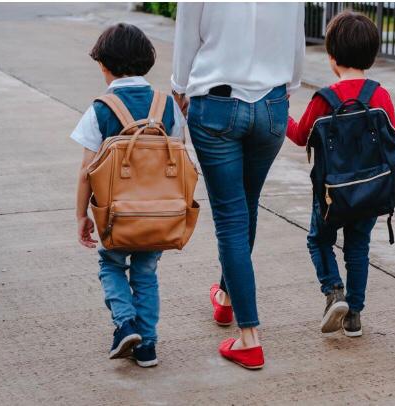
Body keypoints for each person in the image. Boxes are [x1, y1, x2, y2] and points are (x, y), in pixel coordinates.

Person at [171, 3, 304, 369]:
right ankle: (227, 298)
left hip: (216, 103)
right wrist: (288, 86)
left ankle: (249, 337)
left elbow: (187, 35)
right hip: (273, 102)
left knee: (231, 217)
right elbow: (296, 42)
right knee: (246, 205)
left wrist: (180, 88)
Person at [71, 23, 185, 367]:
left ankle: (125, 324)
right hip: (158, 215)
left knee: (110, 266)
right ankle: (147, 345)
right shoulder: (167, 106)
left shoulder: (101, 109)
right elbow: (179, 155)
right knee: (146, 274)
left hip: (116, 216)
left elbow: (86, 172)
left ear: (104, 66)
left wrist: (81, 216)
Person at [286, 11, 395, 337]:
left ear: (332, 57)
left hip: (330, 194)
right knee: (358, 248)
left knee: (318, 239)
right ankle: (355, 316)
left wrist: (283, 114)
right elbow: (393, 138)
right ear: (372, 56)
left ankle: (334, 291)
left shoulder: (325, 99)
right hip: (370, 191)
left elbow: (300, 135)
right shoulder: (380, 95)